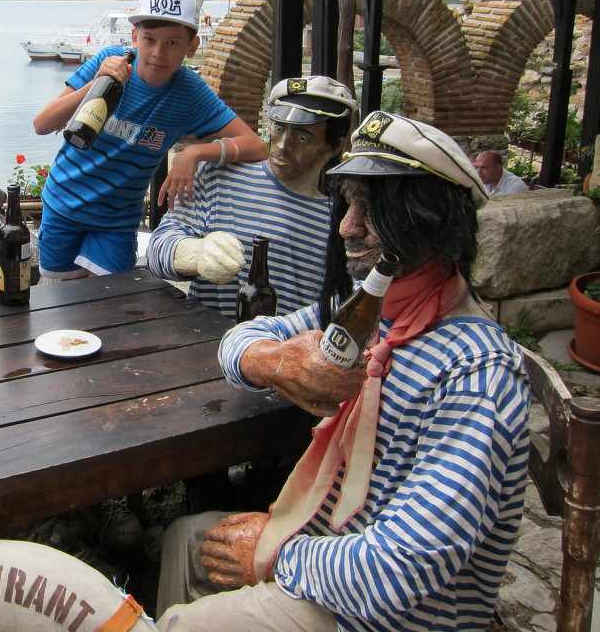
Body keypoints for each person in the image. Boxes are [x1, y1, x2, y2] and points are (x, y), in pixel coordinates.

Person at [156, 111, 531, 632]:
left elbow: (401, 568)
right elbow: (240, 338)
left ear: (425, 218)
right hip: (329, 556)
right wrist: (273, 360)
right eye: (349, 202)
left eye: (369, 209)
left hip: (392, 617)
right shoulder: (373, 313)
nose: (346, 226)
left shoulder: (476, 375)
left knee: (182, 624)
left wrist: (279, 552)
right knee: (186, 542)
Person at [32, 0, 267, 280]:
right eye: (149, 39)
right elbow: (42, 124)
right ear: (134, 37)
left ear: (191, 47)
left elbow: (256, 146)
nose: (158, 53)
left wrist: (196, 152)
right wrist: (97, 84)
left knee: (110, 302)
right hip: (63, 204)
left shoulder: (189, 92)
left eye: (172, 43)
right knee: (58, 298)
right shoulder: (109, 61)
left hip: (116, 220)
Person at [147, 75, 356, 319]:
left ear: (336, 145)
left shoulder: (347, 216)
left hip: (287, 350)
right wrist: (195, 253)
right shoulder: (218, 176)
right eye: (279, 129)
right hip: (204, 344)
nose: (282, 145)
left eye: (302, 137)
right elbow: (156, 252)